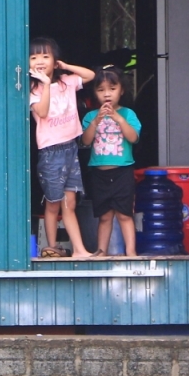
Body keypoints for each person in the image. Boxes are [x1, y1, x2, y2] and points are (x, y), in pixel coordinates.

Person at [28, 37, 96, 258]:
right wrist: (46, 85)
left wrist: (65, 67)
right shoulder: (34, 89)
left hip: (70, 148)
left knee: (70, 202)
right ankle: (51, 247)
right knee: (53, 203)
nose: (40, 60)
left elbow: (90, 76)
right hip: (51, 152)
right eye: (34, 57)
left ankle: (79, 250)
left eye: (46, 56)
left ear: (55, 60)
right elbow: (43, 112)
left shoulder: (67, 81)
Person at [80, 65, 142, 258]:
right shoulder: (91, 116)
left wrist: (118, 119)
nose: (107, 94)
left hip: (122, 171)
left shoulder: (128, 114)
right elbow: (85, 141)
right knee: (104, 216)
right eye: (101, 90)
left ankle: (130, 251)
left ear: (121, 90)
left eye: (112, 89)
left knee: (124, 214)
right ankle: (102, 251)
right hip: (99, 173)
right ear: (95, 93)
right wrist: (96, 121)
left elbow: (133, 138)